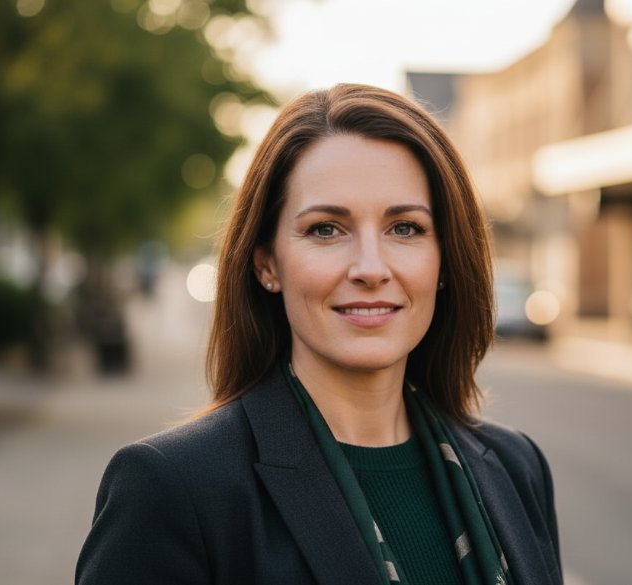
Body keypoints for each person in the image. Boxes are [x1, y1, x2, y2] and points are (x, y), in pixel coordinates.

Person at [76, 84, 561, 585]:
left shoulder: (515, 468)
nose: (371, 268)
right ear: (267, 264)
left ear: (444, 260)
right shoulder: (173, 489)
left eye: (406, 228)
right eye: (327, 229)